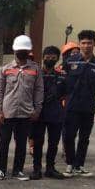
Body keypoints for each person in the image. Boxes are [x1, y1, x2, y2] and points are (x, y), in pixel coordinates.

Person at [0, 35, 43, 181]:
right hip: (7, 112)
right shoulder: (5, 69)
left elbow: (39, 90)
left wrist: (37, 109)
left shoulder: (35, 69)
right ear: (15, 50)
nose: (22, 51)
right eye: (19, 49)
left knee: (21, 143)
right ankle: (1, 170)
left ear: (28, 51)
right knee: (4, 142)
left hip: (26, 113)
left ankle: (18, 170)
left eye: (24, 49)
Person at [61, 29, 95, 177]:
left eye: (90, 42)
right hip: (71, 106)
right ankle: (70, 164)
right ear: (79, 44)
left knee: (84, 138)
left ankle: (79, 165)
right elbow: (61, 83)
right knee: (68, 136)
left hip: (88, 107)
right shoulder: (70, 62)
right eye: (84, 43)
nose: (87, 45)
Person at [30, 46, 67, 180]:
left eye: (53, 57)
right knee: (38, 142)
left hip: (56, 113)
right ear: (43, 57)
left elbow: (64, 94)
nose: (50, 59)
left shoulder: (62, 75)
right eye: (47, 56)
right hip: (39, 113)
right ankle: (36, 169)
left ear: (57, 59)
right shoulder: (36, 74)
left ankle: (50, 168)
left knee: (53, 143)